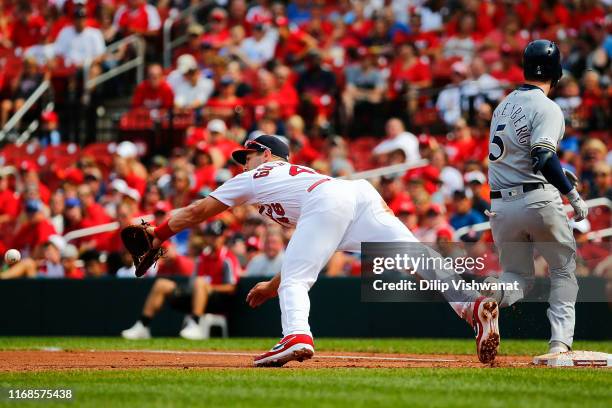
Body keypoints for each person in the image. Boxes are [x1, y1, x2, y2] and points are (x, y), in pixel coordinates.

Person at [137, 134, 500, 366]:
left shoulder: (256, 176)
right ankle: (470, 305)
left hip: (329, 202)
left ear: (265, 154)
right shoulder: (298, 174)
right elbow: (309, 249)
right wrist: (272, 284)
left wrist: (158, 234)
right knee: (414, 257)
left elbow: (198, 211)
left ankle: (296, 335)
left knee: (297, 280)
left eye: (246, 155)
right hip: (355, 196)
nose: (241, 162)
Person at [485, 40, 588, 355]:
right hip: (537, 201)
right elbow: (543, 155)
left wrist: (553, 172)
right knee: (563, 268)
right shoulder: (547, 107)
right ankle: (559, 345)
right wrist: (572, 194)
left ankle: (493, 294)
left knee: (517, 277)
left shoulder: (503, 105)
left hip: (501, 205)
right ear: (556, 72)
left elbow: (522, 156)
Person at [122, 220, 240, 340]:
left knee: (199, 283)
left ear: (223, 237)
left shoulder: (228, 258)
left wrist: (209, 287)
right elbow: (193, 281)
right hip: (197, 295)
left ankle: (196, 324)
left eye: (216, 236)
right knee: (162, 284)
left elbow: (232, 287)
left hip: (218, 301)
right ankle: (143, 325)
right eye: (210, 235)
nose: (213, 239)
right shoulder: (202, 257)